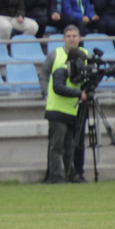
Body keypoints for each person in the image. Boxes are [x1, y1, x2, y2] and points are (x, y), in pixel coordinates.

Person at [39, 26, 87, 183]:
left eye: (74, 35)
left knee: (69, 146)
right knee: (57, 145)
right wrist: (45, 93)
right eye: (68, 36)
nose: (72, 38)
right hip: (57, 107)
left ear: (79, 38)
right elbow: (45, 74)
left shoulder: (85, 55)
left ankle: (71, 174)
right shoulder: (55, 55)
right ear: (64, 38)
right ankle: (55, 176)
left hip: (73, 108)